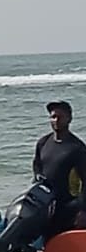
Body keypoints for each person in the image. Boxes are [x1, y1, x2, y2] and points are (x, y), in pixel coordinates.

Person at [32, 100, 86, 238]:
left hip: (67, 206)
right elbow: (37, 168)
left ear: (69, 119)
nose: (55, 120)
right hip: (46, 205)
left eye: (60, 117)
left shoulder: (77, 148)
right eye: (53, 117)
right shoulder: (43, 143)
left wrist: (83, 211)